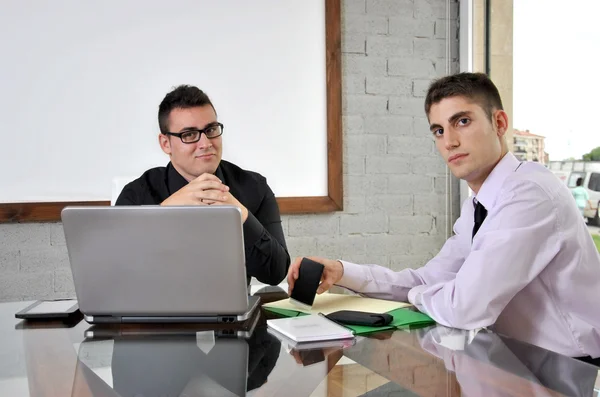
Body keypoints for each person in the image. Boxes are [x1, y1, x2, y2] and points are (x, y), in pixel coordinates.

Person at [287, 73, 600, 363]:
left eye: (462, 121)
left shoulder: (529, 194)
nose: (449, 141)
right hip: (518, 362)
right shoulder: (478, 207)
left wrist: (418, 295)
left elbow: (464, 307)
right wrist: (341, 272)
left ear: (499, 122)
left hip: (574, 369)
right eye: (439, 130)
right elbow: (427, 280)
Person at [116, 85, 290, 285]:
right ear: (165, 144)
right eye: (189, 134)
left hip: (230, 313)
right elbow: (116, 271)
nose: (206, 142)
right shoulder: (136, 194)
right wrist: (164, 212)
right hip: (155, 312)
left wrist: (239, 213)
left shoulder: (254, 186)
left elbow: (275, 273)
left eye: (211, 129)